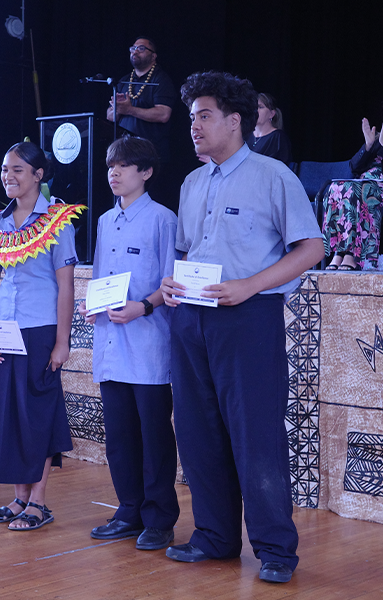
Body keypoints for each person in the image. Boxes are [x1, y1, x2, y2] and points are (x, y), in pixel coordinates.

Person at [160, 71, 324, 583]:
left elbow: (312, 248)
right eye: (191, 117)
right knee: (197, 430)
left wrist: (251, 285)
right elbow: (189, 252)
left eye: (204, 116)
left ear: (235, 121)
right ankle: (214, 536)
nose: (194, 126)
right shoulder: (191, 183)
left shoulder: (273, 176)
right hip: (190, 318)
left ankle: (275, 549)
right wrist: (171, 284)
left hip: (248, 318)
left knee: (256, 434)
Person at [0, 142, 85, 530]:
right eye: (5, 169)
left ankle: (39, 501)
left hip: (39, 330)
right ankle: (19, 498)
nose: (8, 176)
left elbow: (66, 286)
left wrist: (62, 341)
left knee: (37, 413)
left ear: (38, 175)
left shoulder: (57, 221)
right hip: (2, 329)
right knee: (7, 415)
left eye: (18, 169)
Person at [78, 136, 179, 551]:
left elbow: (172, 283)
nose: (113, 173)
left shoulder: (162, 219)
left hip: (148, 342)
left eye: (123, 166)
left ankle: (159, 519)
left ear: (146, 172)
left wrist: (144, 306)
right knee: (119, 436)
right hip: (111, 341)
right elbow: (101, 277)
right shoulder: (105, 220)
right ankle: (128, 510)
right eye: (110, 166)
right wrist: (92, 305)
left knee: (153, 436)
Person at [107, 37, 177, 208]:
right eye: (133, 48)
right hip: (124, 155)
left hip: (152, 155)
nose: (135, 51)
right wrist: (118, 109)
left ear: (153, 56)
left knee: (150, 204)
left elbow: (163, 114)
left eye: (141, 48)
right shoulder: (123, 81)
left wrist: (129, 110)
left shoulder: (160, 80)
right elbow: (110, 116)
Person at [322, 118, 383, 270]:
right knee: (336, 187)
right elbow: (354, 167)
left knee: (358, 190)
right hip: (363, 183)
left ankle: (352, 255)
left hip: (377, 186)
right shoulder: (375, 140)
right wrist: (369, 145)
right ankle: (339, 252)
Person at [245, 93, 292, 165]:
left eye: (260, 107)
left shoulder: (278, 137)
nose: (256, 111)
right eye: (253, 107)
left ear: (271, 114)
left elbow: (280, 166)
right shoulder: (245, 135)